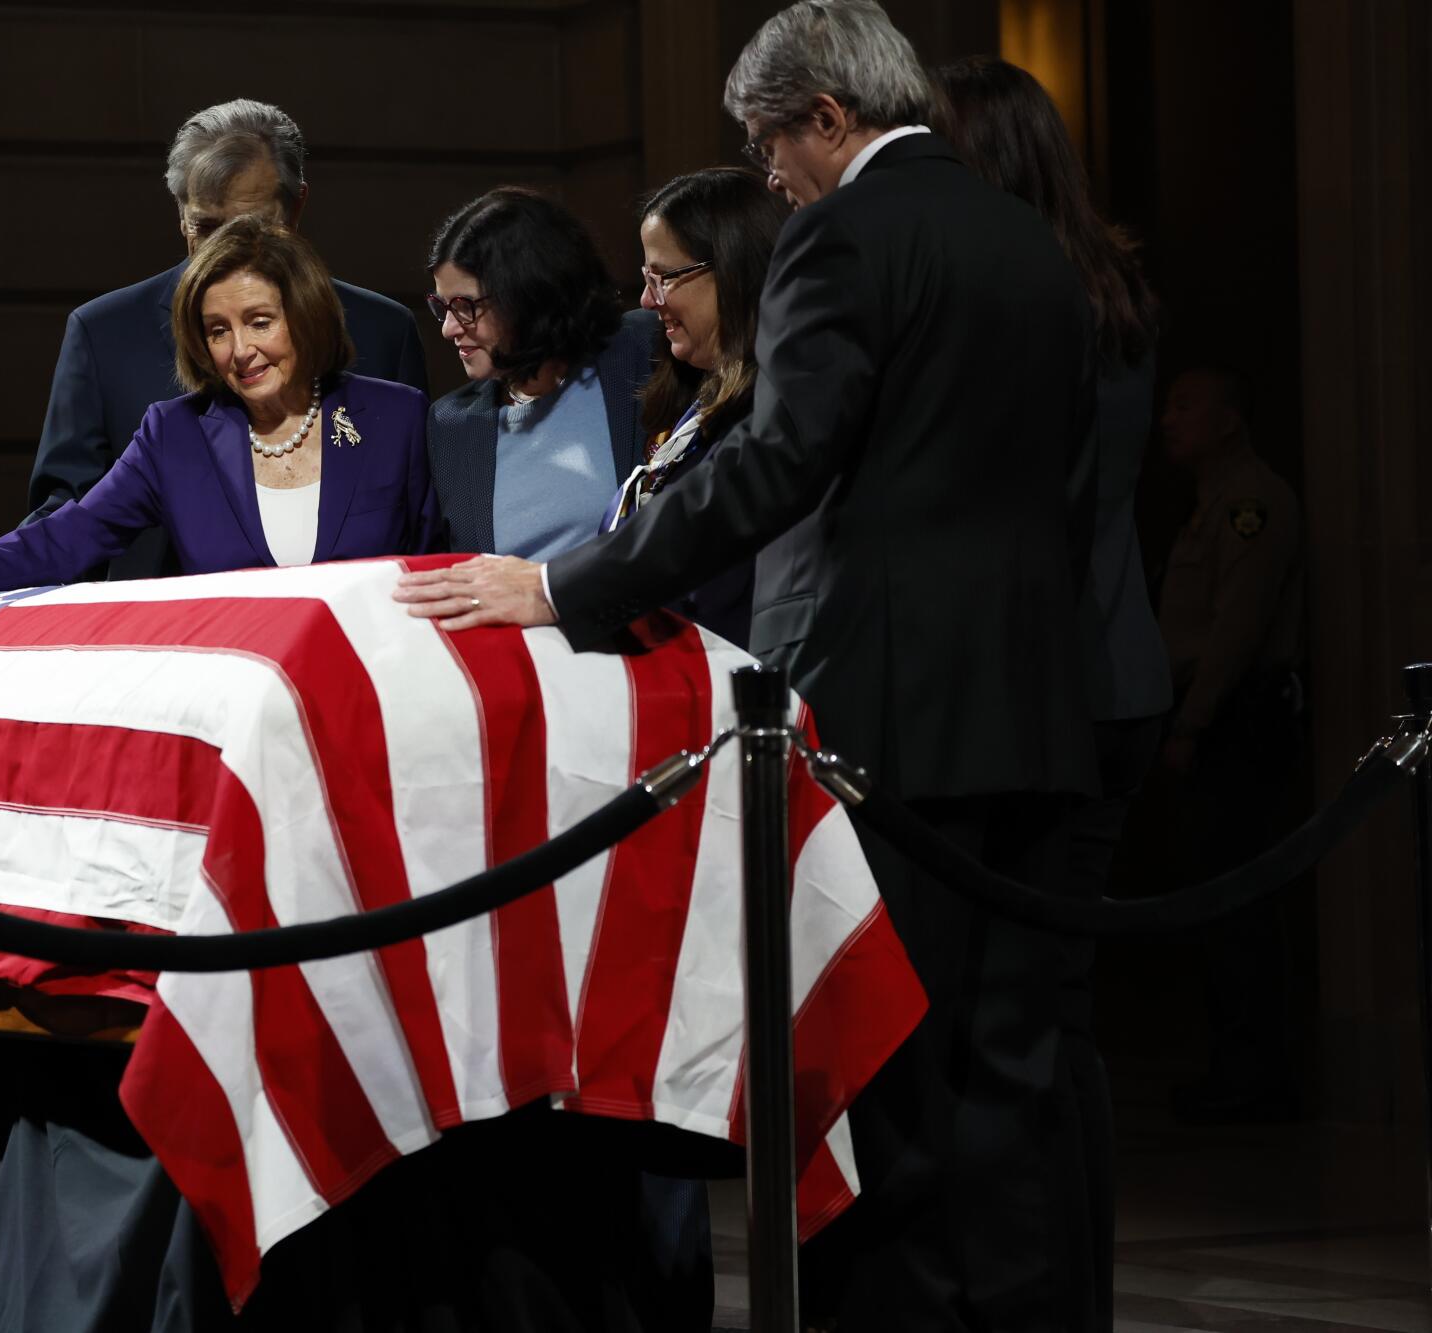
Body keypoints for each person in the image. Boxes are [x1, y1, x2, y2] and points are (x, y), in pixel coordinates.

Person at [395, 2, 1101, 1327]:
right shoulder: (1028, 238)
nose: (768, 176)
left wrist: (559, 587)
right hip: (1037, 712)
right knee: (1015, 1082)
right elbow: (1066, 488)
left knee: (884, 1082)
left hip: (888, 722)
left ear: (827, 116)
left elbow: (779, 466)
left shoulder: (844, 235)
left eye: (771, 143)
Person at [935, 53, 1169, 1332]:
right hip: (1117, 670)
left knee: (1026, 1022)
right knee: (1058, 1018)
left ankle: (1046, 1294)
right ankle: (1070, 1288)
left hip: (1055, 688)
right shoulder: (1110, 291)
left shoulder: (1024, 306)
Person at [0, 216, 439, 666]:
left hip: (373, 692)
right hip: (231, 710)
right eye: (217, 331)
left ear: (304, 315)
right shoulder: (174, 435)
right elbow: (69, 535)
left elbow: (437, 563)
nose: (240, 350)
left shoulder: (395, 417)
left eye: (260, 321)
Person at [27, 99, 427, 581]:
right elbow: (64, 521)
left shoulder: (383, 330)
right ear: (180, 215)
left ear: (297, 206)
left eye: (254, 225)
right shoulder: (103, 332)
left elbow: (419, 521)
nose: (229, 249)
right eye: (207, 228)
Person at [1155, 364, 1304, 1124]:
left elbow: (1237, 630)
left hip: (1232, 721)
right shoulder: (1208, 507)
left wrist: (1192, 722)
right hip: (1209, 715)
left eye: (1186, 405)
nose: (1168, 419)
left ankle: (1253, 1072)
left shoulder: (1250, 504)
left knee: (1236, 895)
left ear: (1229, 420)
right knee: (1209, 896)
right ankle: (1230, 1062)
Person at [423, 187, 663, 560]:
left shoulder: (640, 351)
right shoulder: (450, 423)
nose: (449, 328)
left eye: (465, 306)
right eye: (442, 306)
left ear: (529, 295)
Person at [614, 167, 783, 646]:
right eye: (646, 279)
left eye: (664, 277)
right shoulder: (693, 400)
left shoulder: (776, 409)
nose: (648, 300)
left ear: (735, 269)